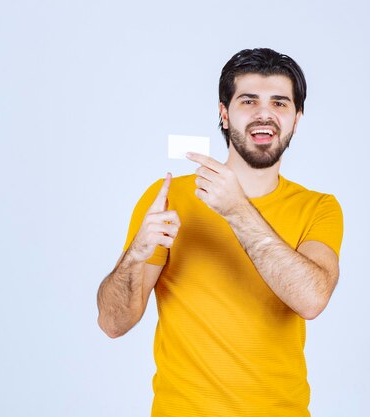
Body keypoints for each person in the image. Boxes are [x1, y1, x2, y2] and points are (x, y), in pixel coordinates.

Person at [97, 48, 344, 417]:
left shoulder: (319, 208)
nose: (265, 113)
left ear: (296, 118)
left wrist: (236, 210)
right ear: (224, 114)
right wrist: (135, 254)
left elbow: (311, 299)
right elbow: (113, 323)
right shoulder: (170, 197)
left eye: (280, 103)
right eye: (249, 101)